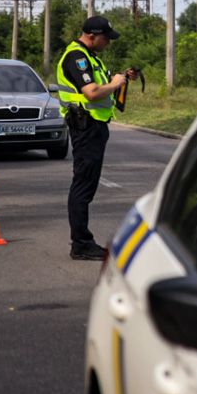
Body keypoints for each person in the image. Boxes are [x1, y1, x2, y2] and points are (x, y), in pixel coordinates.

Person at [56, 16, 130, 261]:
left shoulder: (90, 57)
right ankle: (81, 243)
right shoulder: (76, 57)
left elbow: (100, 86)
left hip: (94, 126)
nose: (108, 42)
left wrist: (121, 78)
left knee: (87, 184)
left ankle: (82, 241)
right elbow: (92, 92)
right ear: (91, 35)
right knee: (83, 185)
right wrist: (115, 83)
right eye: (106, 38)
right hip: (85, 126)